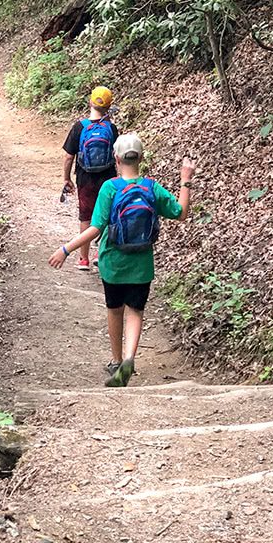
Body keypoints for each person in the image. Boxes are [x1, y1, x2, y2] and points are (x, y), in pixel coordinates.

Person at [49, 133, 196, 387]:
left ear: (116, 159)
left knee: (114, 310)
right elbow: (181, 214)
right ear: (141, 158)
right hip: (142, 265)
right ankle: (129, 358)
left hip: (113, 263)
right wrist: (186, 180)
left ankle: (116, 361)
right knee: (135, 311)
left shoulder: (110, 188)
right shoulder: (151, 188)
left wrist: (66, 249)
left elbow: (95, 228)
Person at [62, 86, 118, 271]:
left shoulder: (80, 127)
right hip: (108, 178)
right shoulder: (111, 128)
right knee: (106, 214)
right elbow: (116, 154)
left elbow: (69, 156)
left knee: (86, 217)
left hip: (85, 178)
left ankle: (83, 259)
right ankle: (99, 254)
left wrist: (66, 179)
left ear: (90, 102)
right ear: (109, 106)